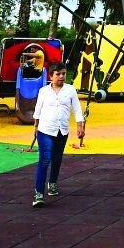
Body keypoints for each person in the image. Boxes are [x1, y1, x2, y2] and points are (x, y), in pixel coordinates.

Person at [30, 63, 85, 207]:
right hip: (45, 130)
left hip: (62, 130)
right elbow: (38, 109)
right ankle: (38, 193)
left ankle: (53, 182)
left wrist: (80, 126)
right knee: (45, 159)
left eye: (63, 74)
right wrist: (36, 126)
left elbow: (77, 109)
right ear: (51, 76)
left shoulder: (70, 90)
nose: (61, 76)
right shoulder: (43, 91)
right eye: (58, 74)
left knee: (57, 158)